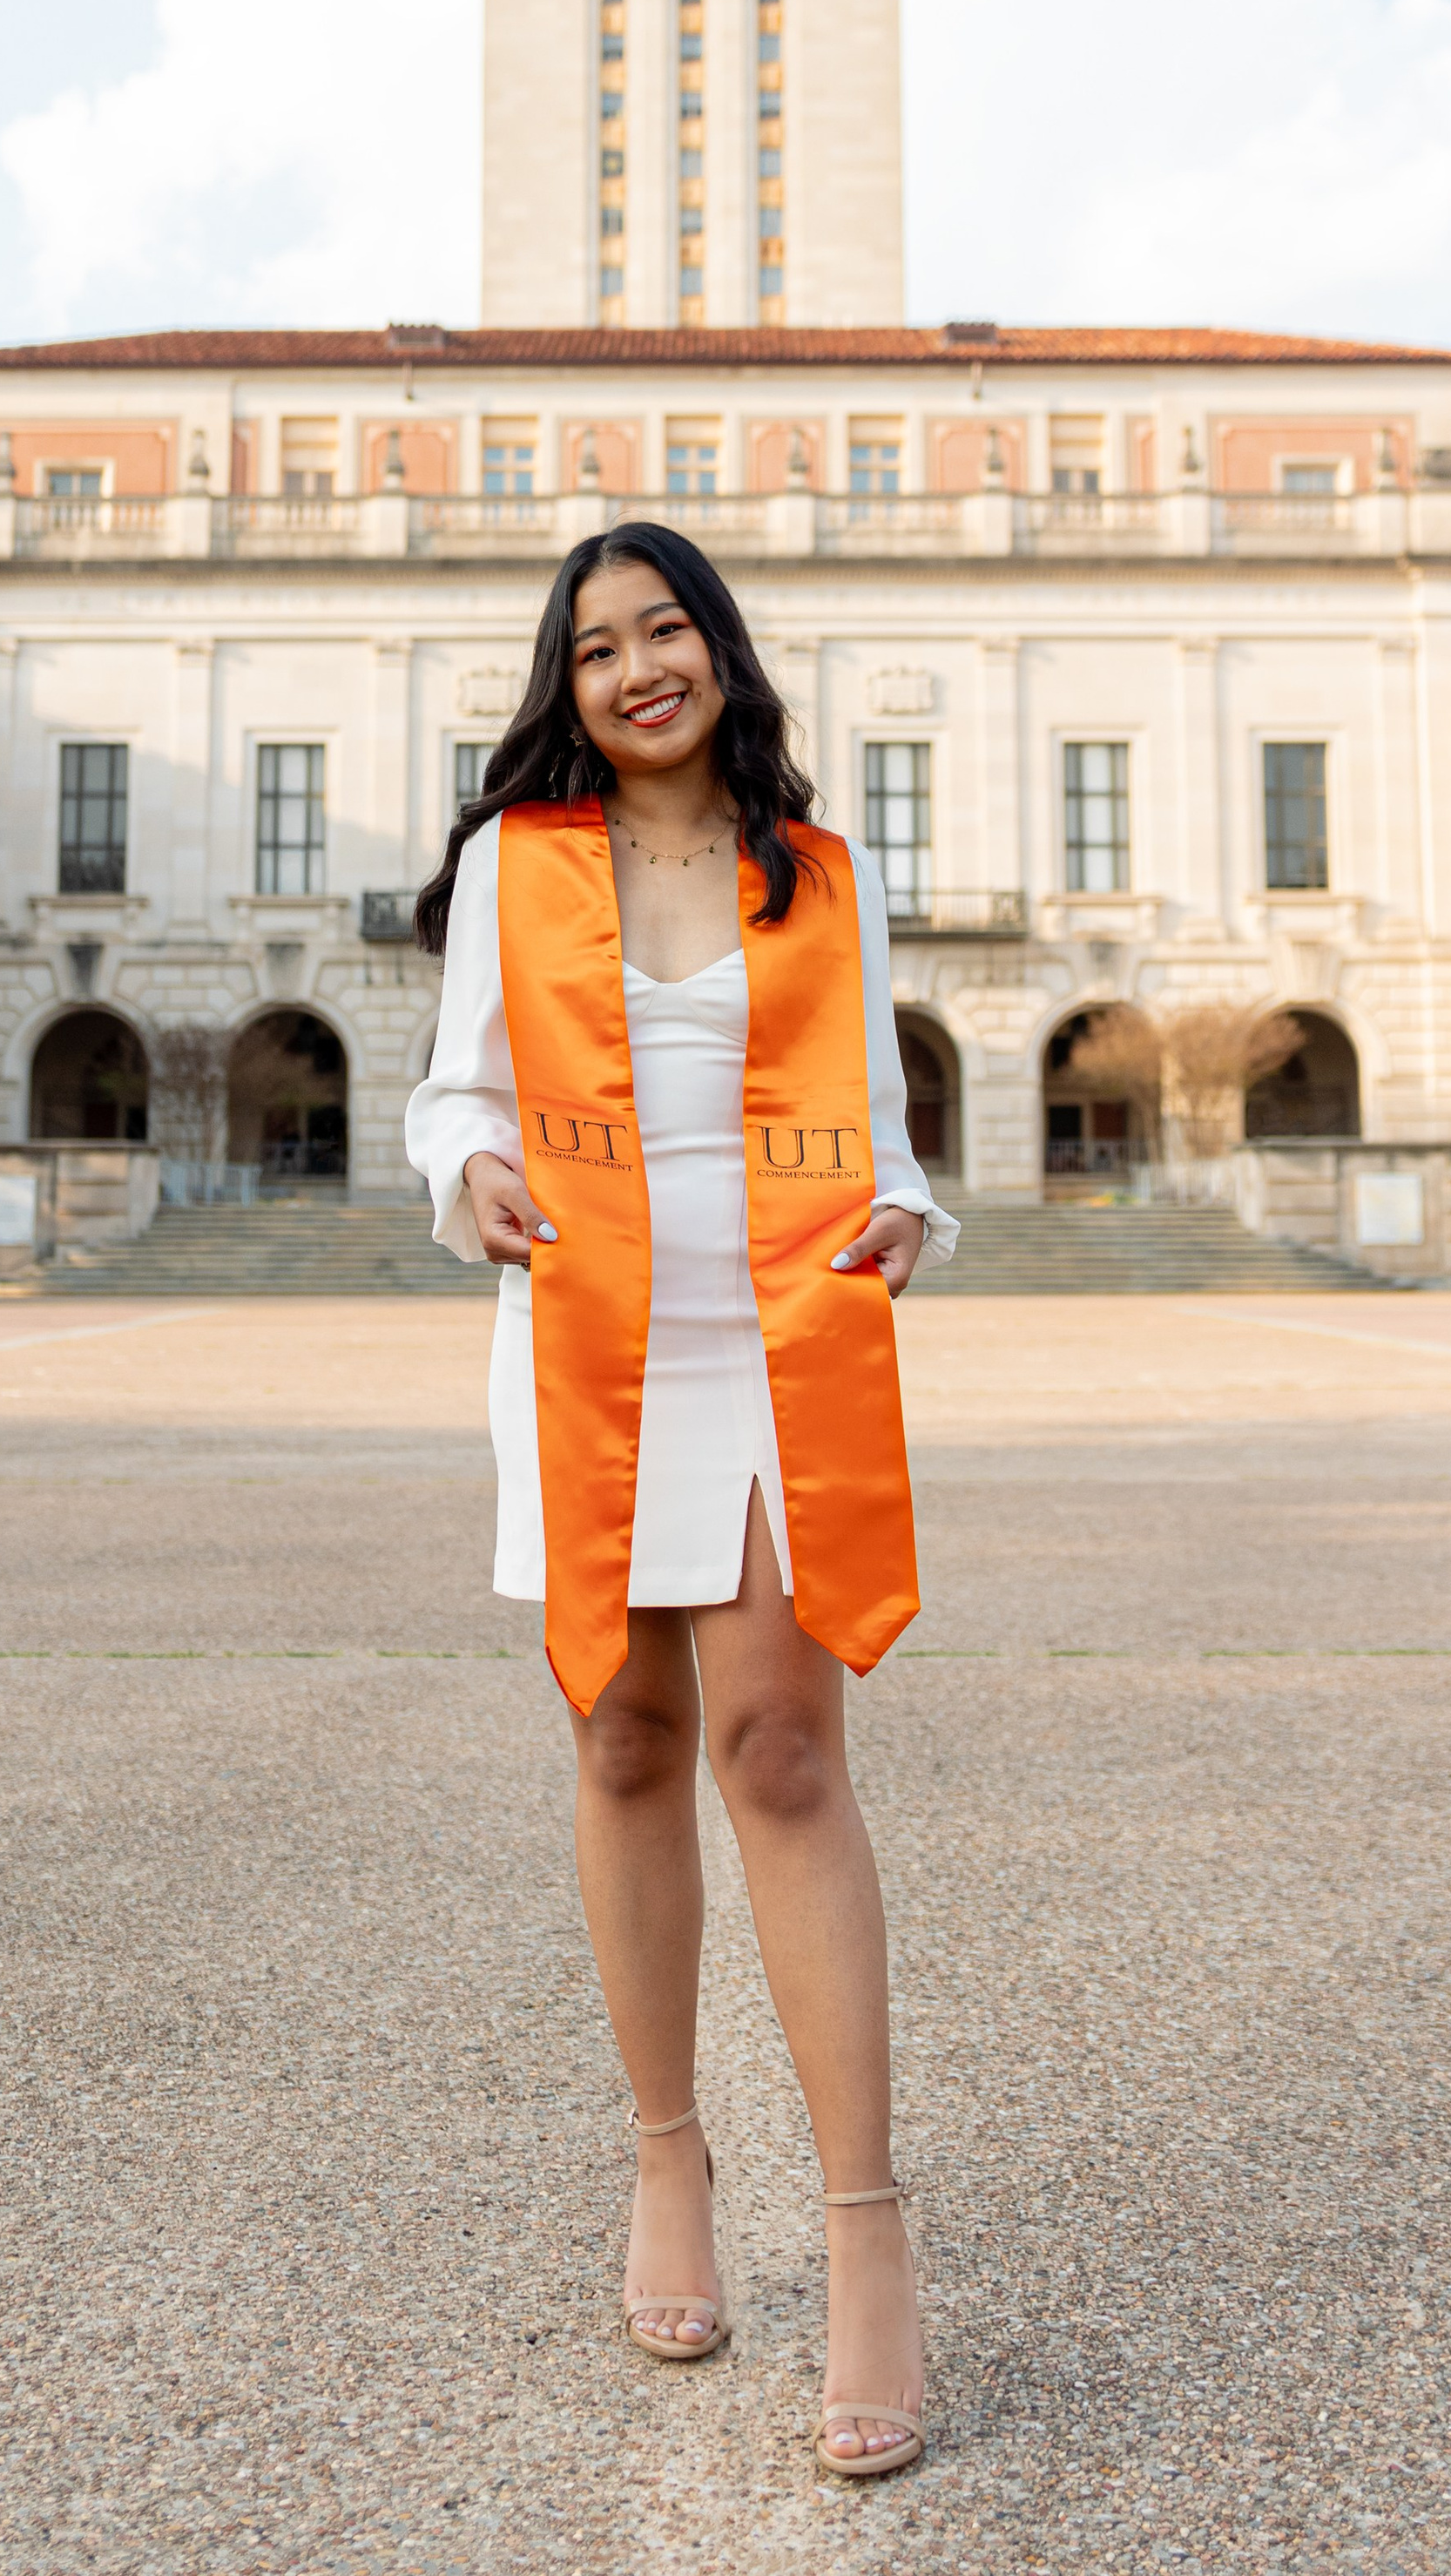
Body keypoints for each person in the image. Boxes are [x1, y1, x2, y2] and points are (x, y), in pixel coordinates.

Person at [406, 524, 957, 2480]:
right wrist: (460, 1172)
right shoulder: (514, 870)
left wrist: (912, 1215)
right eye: (594, 650)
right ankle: (666, 2161)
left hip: (775, 1341)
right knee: (627, 1737)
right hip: (588, 1344)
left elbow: (889, 1143)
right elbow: (453, 1094)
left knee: (782, 1751)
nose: (637, 669)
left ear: (720, 651)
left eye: (665, 631)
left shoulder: (820, 879)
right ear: (563, 693)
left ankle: (865, 2231)